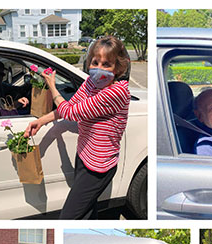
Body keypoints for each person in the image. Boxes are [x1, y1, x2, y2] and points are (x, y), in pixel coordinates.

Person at [24, 36, 131, 219]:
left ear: (119, 68)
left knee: (68, 217)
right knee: (87, 212)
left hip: (98, 167)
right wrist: (42, 120)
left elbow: (71, 113)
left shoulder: (117, 92)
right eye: (95, 62)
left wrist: (53, 87)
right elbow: (71, 105)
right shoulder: (91, 83)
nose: (98, 69)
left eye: (107, 64)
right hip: (84, 154)